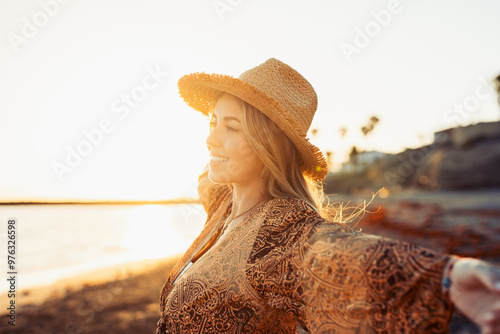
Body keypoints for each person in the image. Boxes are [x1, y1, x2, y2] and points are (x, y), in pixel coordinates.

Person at [154, 58, 500, 333]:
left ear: (268, 145)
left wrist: (446, 276)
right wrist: (227, 151)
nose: (211, 139)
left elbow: (339, 254)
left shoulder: (280, 230)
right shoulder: (222, 205)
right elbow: (208, 179)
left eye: (231, 127)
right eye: (213, 122)